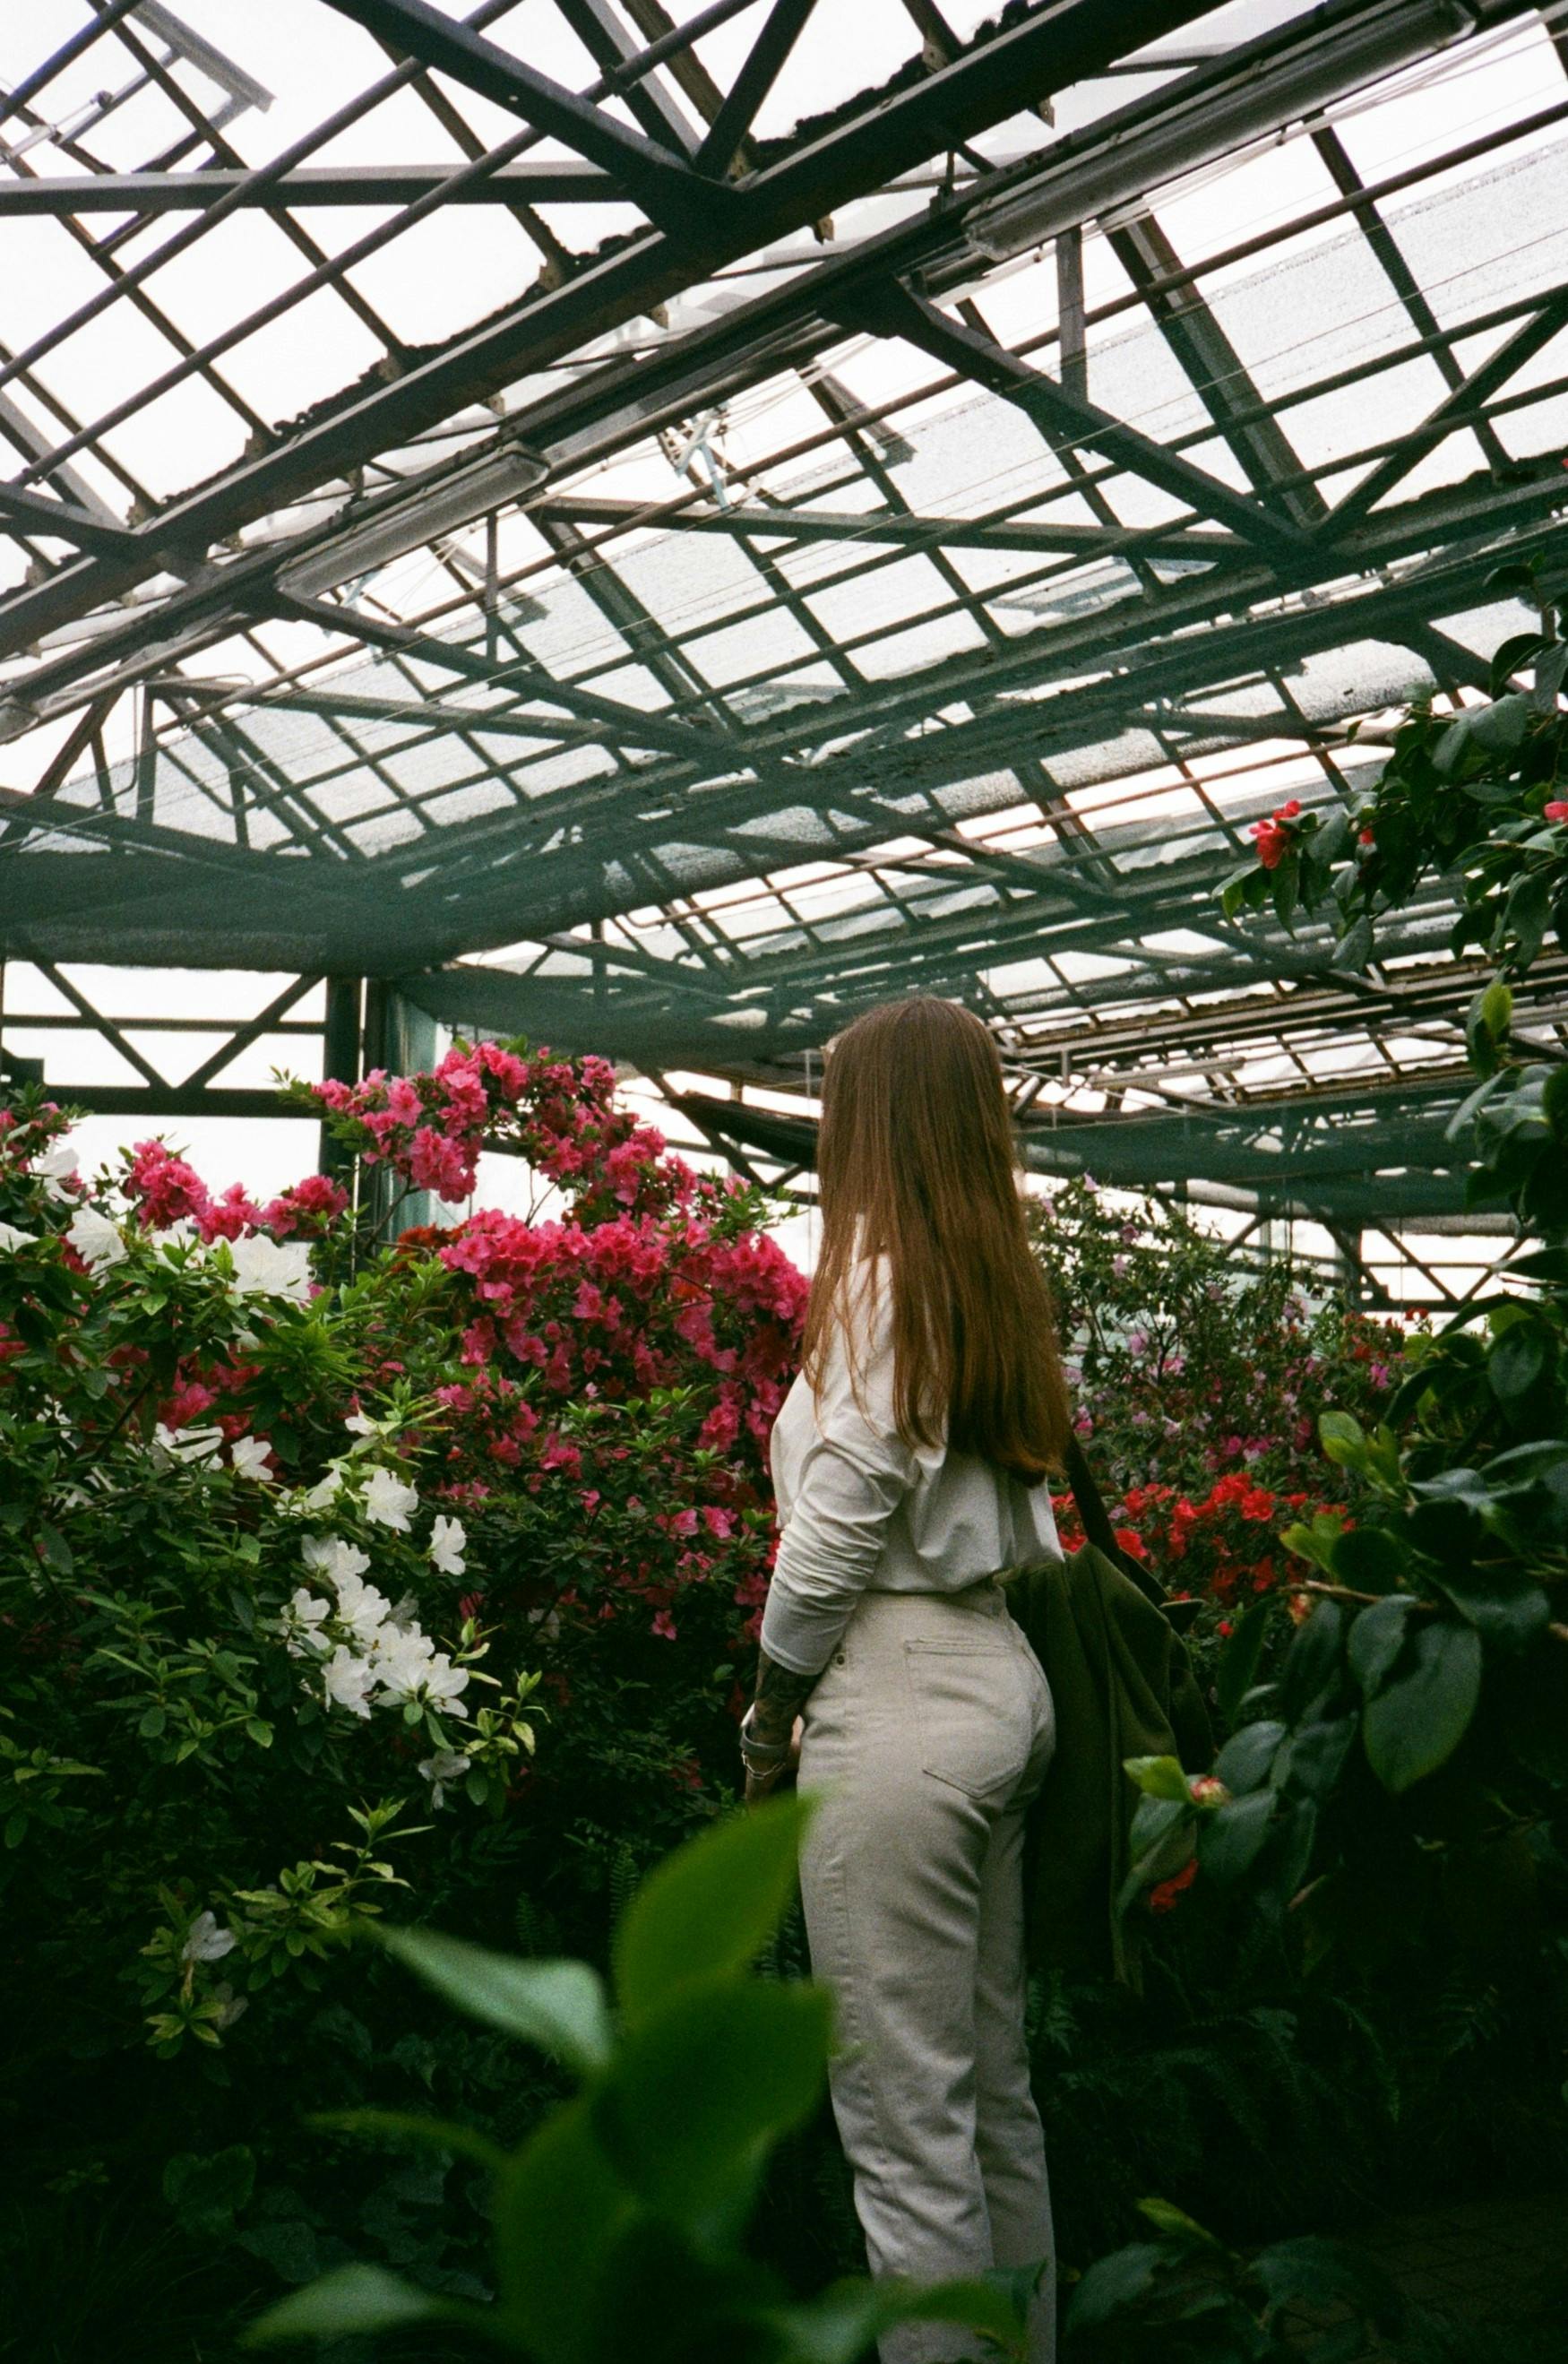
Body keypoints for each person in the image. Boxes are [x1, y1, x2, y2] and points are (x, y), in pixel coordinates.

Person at [740, 997, 1069, 2364]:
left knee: (902, 2131)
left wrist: (770, 1709)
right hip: (996, 1682)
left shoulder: (875, 1279)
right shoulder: (988, 1279)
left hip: (897, 1704)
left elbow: (838, 1525)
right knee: (990, 2100)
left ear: (868, 1125)